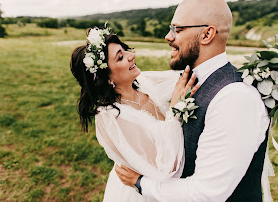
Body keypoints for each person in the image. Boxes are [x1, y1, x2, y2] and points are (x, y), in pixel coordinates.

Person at [115, 0, 270, 201]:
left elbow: (206, 193)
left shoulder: (234, 98)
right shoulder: (187, 81)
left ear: (207, 34)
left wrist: (141, 182)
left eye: (177, 29)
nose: (168, 37)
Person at [70, 27, 200, 201]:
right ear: (107, 77)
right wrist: (175, 110)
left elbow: (183, 78)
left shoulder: (142, 82)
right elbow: (164, 166)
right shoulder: (111, 116)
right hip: (142, 193)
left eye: (125, 50)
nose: (132, 56)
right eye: (120, 57)